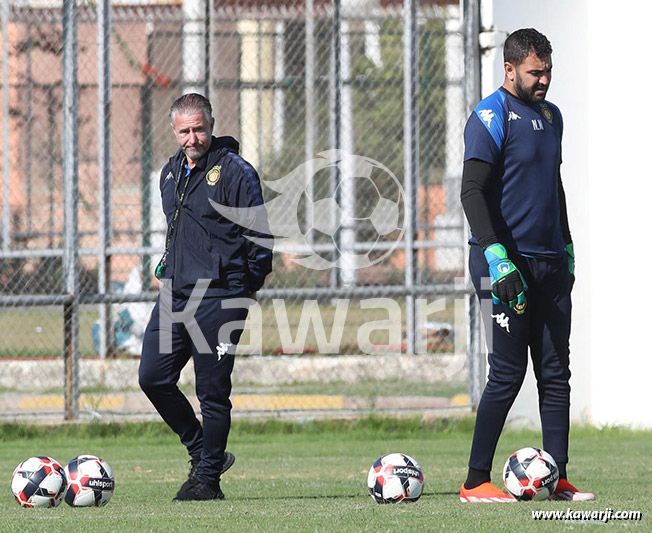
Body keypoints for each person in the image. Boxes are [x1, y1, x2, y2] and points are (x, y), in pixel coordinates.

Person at [459, 28, 593, 503]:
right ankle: (475, 481)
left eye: (549, 71)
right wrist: (496, 256)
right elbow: (471, 191)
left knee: (556, 372)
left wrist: (568, 245)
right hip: (505, 267)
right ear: (510, 69)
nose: (544, 80)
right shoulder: (490, 116)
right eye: (536, 72)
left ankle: (556, 479)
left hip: (550, 261)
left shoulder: (553, 116)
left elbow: (552, 186)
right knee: (508, 373)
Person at [139, 93, 273, 501]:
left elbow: (260, 239)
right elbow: (181, 229)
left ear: (211, 125)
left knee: (212, 392)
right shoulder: (170, 173)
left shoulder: (236, 172)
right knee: (153, 377)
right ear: (174, 131)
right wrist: (167, 264)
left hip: (221, 297)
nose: (192, 138)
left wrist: (243, 287)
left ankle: (208, 480)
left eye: (199, 129)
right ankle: (201, 450)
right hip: (175, 294)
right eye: (184, 131)